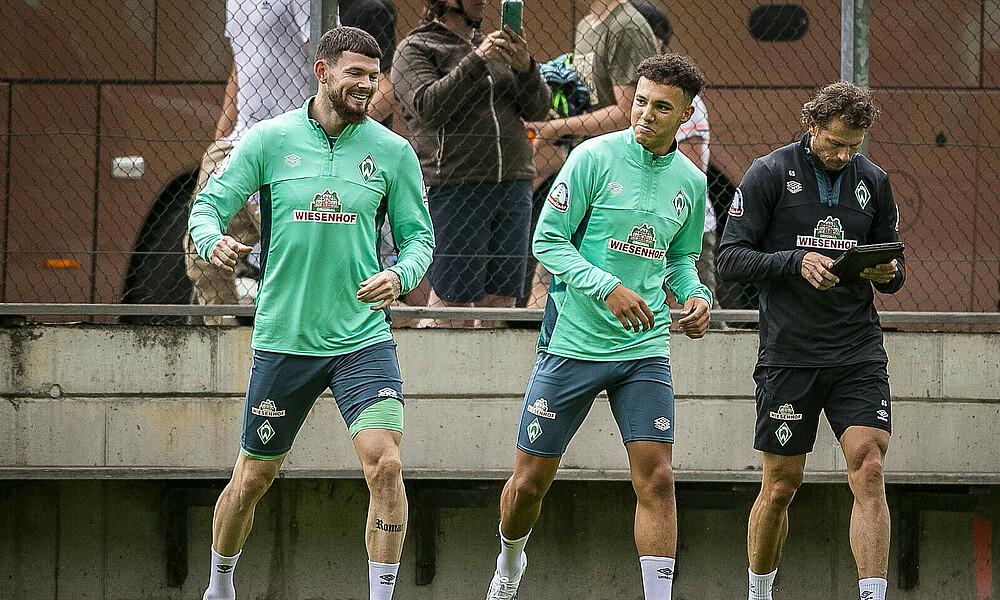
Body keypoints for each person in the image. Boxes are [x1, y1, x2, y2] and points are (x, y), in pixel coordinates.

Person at [188, 27, 434, 600]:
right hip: (286, 339)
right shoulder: (268, 139)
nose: (367, 86)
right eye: (355, 73)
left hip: (362, 340)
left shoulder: (393, 152)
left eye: (373, 76)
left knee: (387, 466)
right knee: (253, 477)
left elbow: (420, 240)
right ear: (322, 72)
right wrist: (211, 240)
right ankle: (220, 586)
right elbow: (208, 206)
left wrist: (400, 275)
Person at [486, 54, 712, 600]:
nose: (646, 114)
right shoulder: (592, 157)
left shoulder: (690, 180)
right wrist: (606, 287)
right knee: (529, 484)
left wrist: (696, 297)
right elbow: (547, 241)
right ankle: (510, 563)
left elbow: (681, 259)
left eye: (662, 108)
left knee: (658, 478)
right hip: (573, 344)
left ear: (685, 116)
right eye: (641, 101)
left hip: (645, 350)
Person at [716, 82, 905, 600]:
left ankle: (872, 595)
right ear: (812, 126)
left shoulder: (874, 181)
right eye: (836, 143)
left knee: (869, 466)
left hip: (857, 351)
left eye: (854, 146)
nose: (845, 155)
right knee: (781, 485)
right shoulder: (768, 173)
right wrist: (794, 261)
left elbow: (895, 265)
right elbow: (729, 258)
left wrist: (888, 272)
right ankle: (759, 592)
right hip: (790, 353)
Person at [184, 0, 398, 325]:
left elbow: (331, 66)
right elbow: (240, 68)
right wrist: (221, 138)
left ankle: (337, 334)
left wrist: (335, 129)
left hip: (293, 146)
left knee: (300, 258)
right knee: (199, 251)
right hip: (240, 140)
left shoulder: (307, 3)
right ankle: (225, 336)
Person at [392, 0, 551, 325]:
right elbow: (427, 106)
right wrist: (477, 60)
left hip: (514, 184)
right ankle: (440, 360)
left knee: (502, 301)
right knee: (453, 304)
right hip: (456, 185)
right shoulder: (414, 49)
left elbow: (538, 110)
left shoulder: (493, 45)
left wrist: (525, 67)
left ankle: (491, 361)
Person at [525, 0, 657, 308]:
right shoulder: (587, 23)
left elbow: (626, 114)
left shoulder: (626, 26)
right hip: (587, 160)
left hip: (620, 166)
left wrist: (554, 127)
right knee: (553, 256)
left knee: (600, 260)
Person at [632, 1, 718, 306]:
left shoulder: (686, 104)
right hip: (637, 221)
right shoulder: (638, 98)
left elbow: (686, 169)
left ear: (656, 41)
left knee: (690, 305)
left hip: (682, 221)